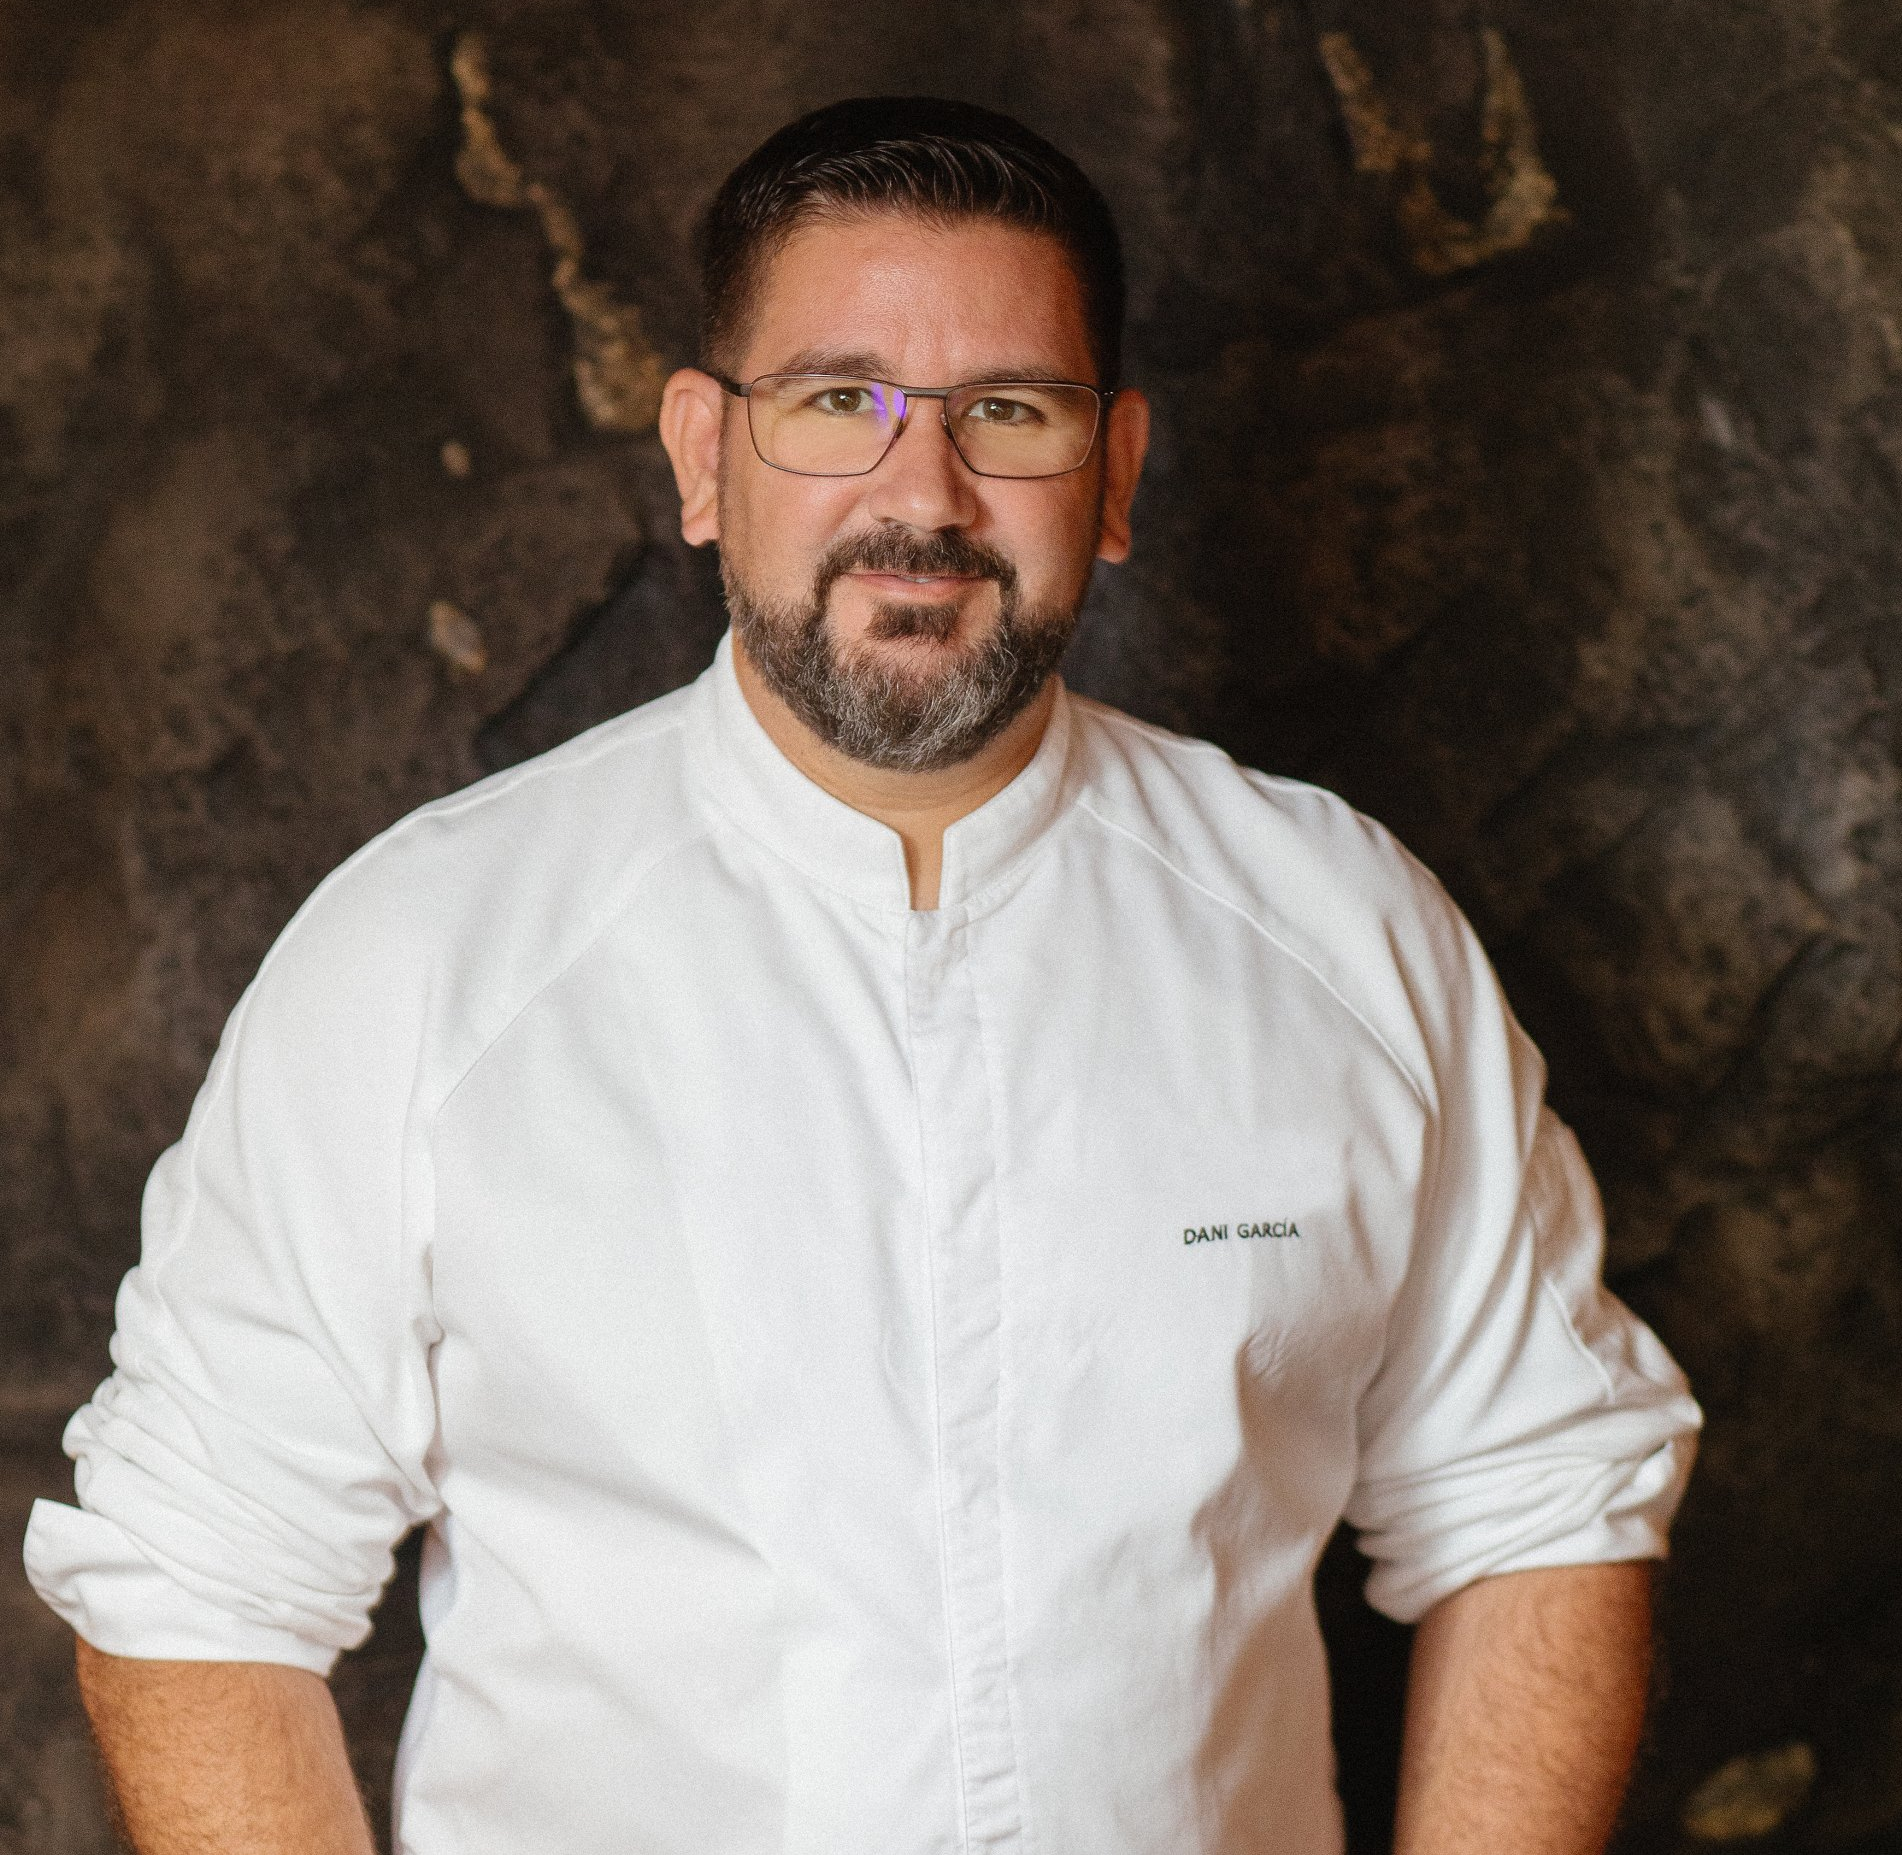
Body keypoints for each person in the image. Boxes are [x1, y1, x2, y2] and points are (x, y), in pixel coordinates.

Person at [25, 95, 1699, 1855]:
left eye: (1009, 412)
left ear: (1115, 472)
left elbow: (1542, 1499)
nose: (923, 495)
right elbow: (199, 1574)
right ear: (703, 456)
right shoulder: (426, 960)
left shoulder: (1342, 933)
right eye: (839, 402)